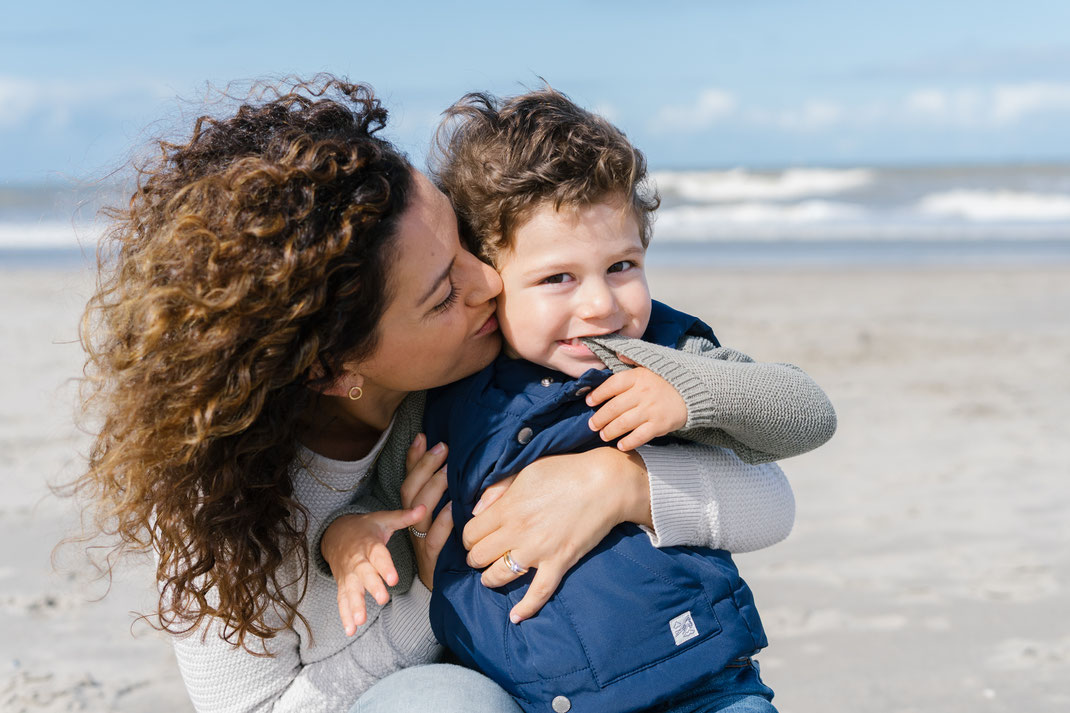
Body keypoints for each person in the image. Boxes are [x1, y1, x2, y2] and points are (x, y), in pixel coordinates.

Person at [72, 77, 797, 713]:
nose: (490, 284)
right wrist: (427, 592)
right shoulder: (211, 499)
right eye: (446, 289)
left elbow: (768, 493)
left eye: (467, 246)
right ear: (330, 367)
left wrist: (617, 484)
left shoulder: (491, 373)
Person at [327, 89, 835, 713]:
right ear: (489, 280)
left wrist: (689, 397)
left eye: (622, 265)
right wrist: (345, 538)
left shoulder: (663, 352)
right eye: (558, 278)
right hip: (530, 698)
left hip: (702, 689)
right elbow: (386, 506)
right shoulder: (442, 400)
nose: (601, 305)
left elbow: (807, 412)